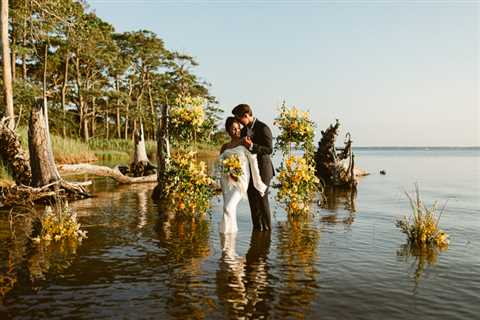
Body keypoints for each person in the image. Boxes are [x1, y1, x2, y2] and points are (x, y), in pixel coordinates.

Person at [219, 117, 267, 234]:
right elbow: (220, 165)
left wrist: (258, 181)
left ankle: (229, 235)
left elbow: (253, 161)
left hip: (240, 181)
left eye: (238, 129)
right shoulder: (225, 147)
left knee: (228, 207)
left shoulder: (245, 142)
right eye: (233, 129)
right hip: (227, 181)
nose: (237, 131)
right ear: (228, 130)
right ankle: (229, 237)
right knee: (229, 210)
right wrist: (221, 179)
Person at [232, 104, 274, 231]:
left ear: (246, 115)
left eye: (239, 119)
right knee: (252, 199)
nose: (238, 122)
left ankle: (268, 231)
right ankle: (257, 230)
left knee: (262, 199)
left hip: (263, 170)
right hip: (248, 170)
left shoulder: (263, 128)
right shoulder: (244, 131)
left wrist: (252, 146)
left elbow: (269, 149)